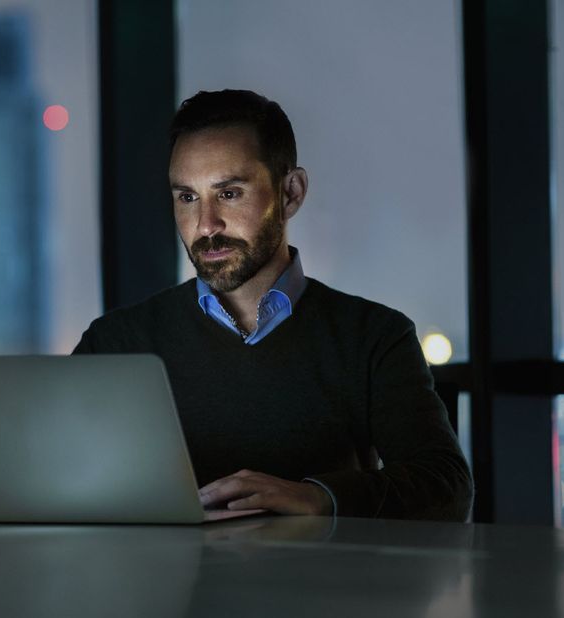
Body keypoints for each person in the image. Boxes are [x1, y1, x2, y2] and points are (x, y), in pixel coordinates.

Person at [73, 89, 473, 521]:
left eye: (229, 194)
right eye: (187, 197)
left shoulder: (374, 336)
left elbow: (446, 486)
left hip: (318, 585)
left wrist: (318, 497)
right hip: (164, 585)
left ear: (291, 193)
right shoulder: (113, 341)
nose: (206, 225)